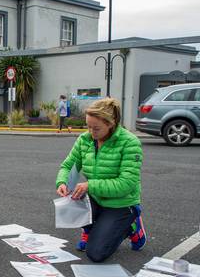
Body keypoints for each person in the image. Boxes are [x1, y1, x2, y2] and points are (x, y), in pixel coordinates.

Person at [55, 97, 146, 262]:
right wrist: (62, 182)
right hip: (96, 198)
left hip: (121, 203)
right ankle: (91, 230)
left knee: (96, 253)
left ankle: (132, 225)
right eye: (88, 126)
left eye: (95, 128)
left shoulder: (130, 143)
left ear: (111, 124)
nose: (90, 132)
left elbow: (126, 184)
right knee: (75, 197)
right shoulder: (85, 140)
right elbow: (68, 166)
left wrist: (90, 185)